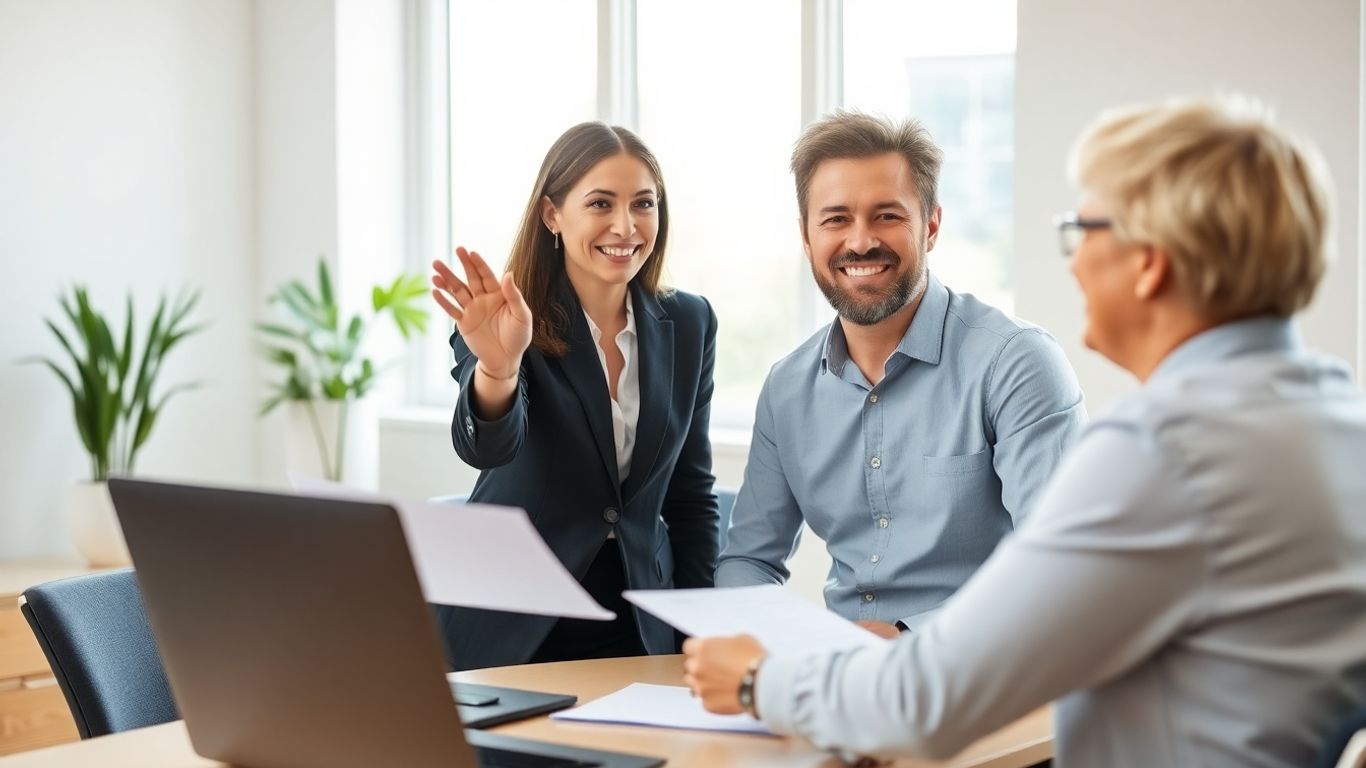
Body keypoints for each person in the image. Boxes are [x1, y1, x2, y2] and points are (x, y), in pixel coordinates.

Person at [684, 97, 1366, 768]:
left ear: (1149, 260)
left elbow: (928, 700)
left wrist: (755, 682)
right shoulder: (1341, 423)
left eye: (1084, 230)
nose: (1072, 263)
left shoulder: (1162, 450)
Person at [715, 111, 1085, 636]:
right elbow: (749, 559)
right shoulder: (786, 389)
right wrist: (757, 638)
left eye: (886, 215)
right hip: (838, 680)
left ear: (930, 225)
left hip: (985, 672)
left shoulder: (1016, 363)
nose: (860, 241)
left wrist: (907, 636)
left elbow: (1057, 566)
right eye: (836, 219)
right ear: (806, 236)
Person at [429, 122, 719, 670]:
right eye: (601, 204)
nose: (626, 225)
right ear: (552, 215)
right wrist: (499, 368)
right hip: (511, 628)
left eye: (643, 204)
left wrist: (697, 633)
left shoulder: (690, 322)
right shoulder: (504, 315)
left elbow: (690, 495)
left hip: (639, 626)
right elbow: (487, 448)